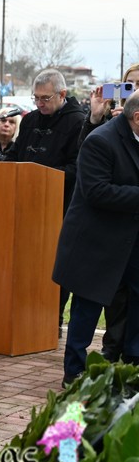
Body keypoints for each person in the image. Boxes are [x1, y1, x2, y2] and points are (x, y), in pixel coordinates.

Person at [53, 91, 139, 387]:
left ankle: (133, 366)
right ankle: (73, 373)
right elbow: (97, 192)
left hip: (132, 242)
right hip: (96, 243)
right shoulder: (101, 141)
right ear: (137, 117)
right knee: (86, 309)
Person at [6, 69, 85, 334]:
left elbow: (77, 168)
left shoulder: (78, 123)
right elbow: (16, 156)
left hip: (57, 207)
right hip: (23, 205)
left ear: (62, 94)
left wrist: (44, 179)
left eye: (45, 98)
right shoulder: (29, 122)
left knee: (54, 265)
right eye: (36, 98)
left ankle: (52, 319)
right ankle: (23, 316)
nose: (39, 104)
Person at [79, 63, 139, 362]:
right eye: (129, 86)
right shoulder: (106, 132)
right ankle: (112, 355)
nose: (134, 92)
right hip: (111, 230)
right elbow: (89, 169)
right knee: (114, 300)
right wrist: (97, 118)